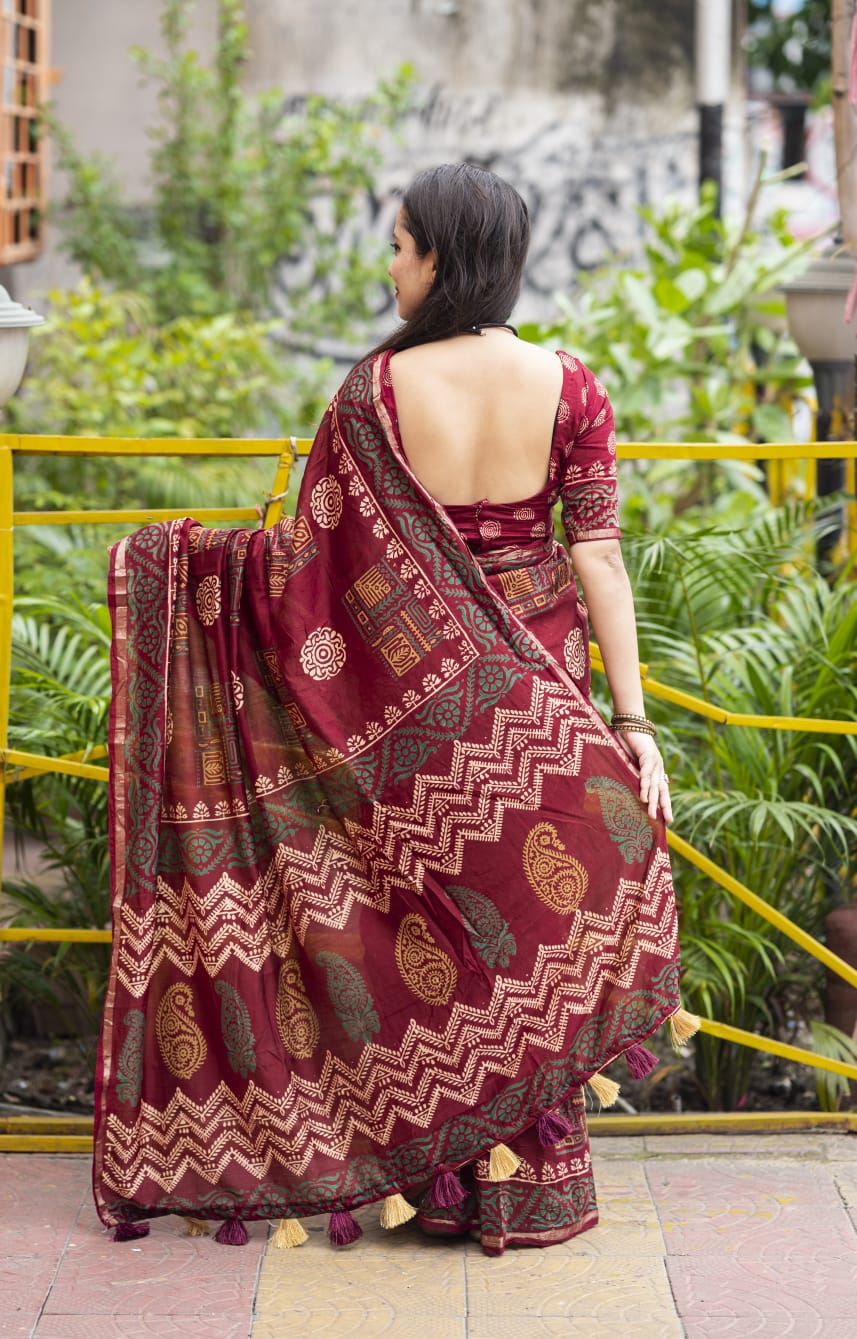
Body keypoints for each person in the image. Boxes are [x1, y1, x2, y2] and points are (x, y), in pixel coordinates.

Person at [93, 163, 692, 1258]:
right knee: (527, 932)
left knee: (438, 932)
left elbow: (301, 573)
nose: (388, 264)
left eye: (398, 244)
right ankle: (532, 1187)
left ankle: (448, 1183)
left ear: (439, 259)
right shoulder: (571, 384)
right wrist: (632, 721)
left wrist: (176, 567)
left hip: (409, 700)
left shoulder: (373, 395)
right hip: (537, 689)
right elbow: (597, 556)